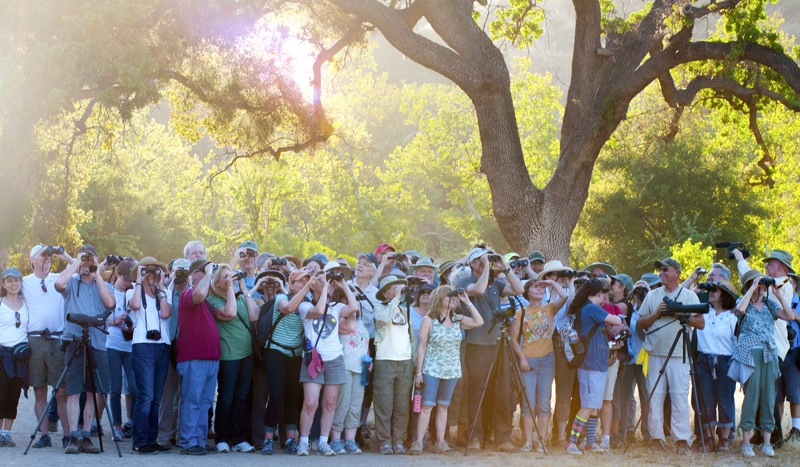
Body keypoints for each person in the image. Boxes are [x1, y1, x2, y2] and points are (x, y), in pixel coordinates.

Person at [458, 246, 523, 452]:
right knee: (477, 391)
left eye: (487, 260)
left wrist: (504, 268)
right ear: (472, 263)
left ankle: (503, 438)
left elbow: (519, 290)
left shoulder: (496, 283)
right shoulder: (465, 282)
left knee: (503, 390)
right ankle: (476, 435)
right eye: (481, 260)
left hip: (498, 343)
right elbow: (477, 290)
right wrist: (486, 265)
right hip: (477, 345)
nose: (486, 262)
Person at [636, 258, 704, 454]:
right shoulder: (652, 295)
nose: (661, 273)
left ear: (677, 272)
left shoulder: (690, 297)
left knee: (679, 397)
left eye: (665, 270)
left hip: (679, 354)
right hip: (655, 353)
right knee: (654, 396)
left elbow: (700, 323)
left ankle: (682, 439)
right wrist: (657, 313)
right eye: (659, 270)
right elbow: (640, 324)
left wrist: (680, 314)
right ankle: (656, 438)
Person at [729, 269, 799, 457]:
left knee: (769, 396)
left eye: (762, 284)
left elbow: (790, 316)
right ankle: (746, 442)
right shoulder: (742, 302)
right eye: (758, 283)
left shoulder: (769, 303)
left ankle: (767, 442)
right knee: (751, 396)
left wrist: (777, 293)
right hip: (750, 354)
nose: (761, 287)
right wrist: (752, 286)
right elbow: (740, 311)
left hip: (769, 353)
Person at [408, 285, 484, 455]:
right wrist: (418, 372)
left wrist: (467, 301)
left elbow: (479, 322)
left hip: (451, 370)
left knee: (443, 406)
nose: (452, 299)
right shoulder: (429, 320)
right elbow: (422, 346)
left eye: (453, 297)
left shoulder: (457, 319)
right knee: (427, 406)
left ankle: (440, 442)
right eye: (448, 296)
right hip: (432, 369)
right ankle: (418, 442)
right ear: (439, 299)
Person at [55, 245, 116, 454]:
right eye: (85, 260)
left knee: (93, 391)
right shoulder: (72, 282)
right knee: (73, 391)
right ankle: (73, 437)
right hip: (74, 341)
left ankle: (87, 436)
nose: (87, 264)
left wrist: (98, 273)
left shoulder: (104, 284)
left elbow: (110, 303)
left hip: (98, 343)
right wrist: (76, 262)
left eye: (91, 260)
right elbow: (58, 283)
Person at [296, 263, 358, 456]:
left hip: (335, 358)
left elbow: (354, 307)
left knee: (330, 403)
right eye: (322, 281)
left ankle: (324, 441)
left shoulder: (336, 307)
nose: (326, 284)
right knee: (310, 402)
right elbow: (318, 311)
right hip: (314, 359)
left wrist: (343, 284)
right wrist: (322, 286)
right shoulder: (304, 305)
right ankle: (304, 442)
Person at [564, 279, 624, 455]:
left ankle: (590, 442)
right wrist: (619, 318)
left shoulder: (587, 308)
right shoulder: (591, 308)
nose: (607, 295)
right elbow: (615, 320)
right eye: (605, 292)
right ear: (600, 293)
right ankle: (572, 442)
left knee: (593, 405)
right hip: (591, 365)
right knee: (588, 405)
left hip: (596, 363)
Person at [23, 244, 73, 449]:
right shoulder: (24, 282)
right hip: (35, 341)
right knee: (40, 391)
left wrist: (63, 254)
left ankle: (67, 435)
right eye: (42, 256)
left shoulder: (58, 278)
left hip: (57, 340)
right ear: (32, 259)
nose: (47, 259)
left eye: (49, 257)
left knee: (62, 392)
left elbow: (80, 268)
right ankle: (44, 435)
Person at [206, 265, 260, 453]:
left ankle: (239, 438)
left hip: (247, 354)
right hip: (228, 355)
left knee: (242, 397)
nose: (230, 279)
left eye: (231, 276)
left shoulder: (239, 298)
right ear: (216, 282)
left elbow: (254, 316)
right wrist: (230, 288)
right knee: (227, 397)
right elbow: (228, 314)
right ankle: (222, 437)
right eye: (225, 277)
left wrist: (244, 290)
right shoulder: (212, 299)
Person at [511, 278, 568, 452]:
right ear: (527, 292)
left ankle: (542, 440)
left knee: (544, 402)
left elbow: (565, 295)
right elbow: (513, 340)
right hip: (528, 361)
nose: (539, 289)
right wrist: (522, 359)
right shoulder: (521, 312)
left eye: (541, 288)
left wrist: (550, 281)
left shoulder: (549, 308)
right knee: (529, 403)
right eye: (535, 287)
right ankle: (528, 441)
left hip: (547, 360)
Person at [262, 268, 310, 455]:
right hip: (276, 352)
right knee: (276, 396)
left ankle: (290, 439)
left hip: (295, 355)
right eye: (300, 281)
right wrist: (307, 289)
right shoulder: (281, 297)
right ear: (291, 284)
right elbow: (288, 308)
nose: (304, 283)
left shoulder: (307, 303)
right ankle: (268, 439)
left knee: (292, 397)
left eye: (307, 280)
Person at [127, 257, 172, 454]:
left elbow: (165, 314)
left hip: (162, 346)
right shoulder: (132, 290)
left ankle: (151, 440)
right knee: (145, 396)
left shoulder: (165, 292)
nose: (151, 275)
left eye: (155, 272)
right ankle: (139, 441)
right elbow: (135, 306)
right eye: (146, 272)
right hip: (143, 347)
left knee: (156, 398)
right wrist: (139, 280)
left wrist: (161, 287)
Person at [176, 260, 221, 455]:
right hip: (194, 358)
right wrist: (209, 273)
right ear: (193, 274)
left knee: (205, 403)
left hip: (210, 359)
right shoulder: (188, 294)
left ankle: (200, 441)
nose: (208, 274)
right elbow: (199, 293)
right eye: (203, 271)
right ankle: (188, 441)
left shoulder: (208, 302)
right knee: (192, 401)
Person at [371, 273, 417, 455]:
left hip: (405, 362)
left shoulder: (405, 309)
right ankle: (384, 441)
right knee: (384, 404)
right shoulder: (379, 307)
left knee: (402, 405)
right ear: (384, 293)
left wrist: (413, 361)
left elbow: (411, 337)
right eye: (394, 289)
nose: (399, 292)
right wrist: (395, 300)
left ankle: (398, 440)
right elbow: (382, 320)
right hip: (385, 361)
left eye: (400, 288)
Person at [694, 280, 738, 452]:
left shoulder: (732, 318)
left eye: (716, 290)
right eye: (710, 289)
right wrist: (696, 289)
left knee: (725, 400)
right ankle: (709, 438)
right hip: (704, 360)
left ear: (724, 295)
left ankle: (725, 440)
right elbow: (681, 309)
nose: (711, 292)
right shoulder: (703, 314)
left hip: (725, 362)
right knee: (706, 401)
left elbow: (737, 343)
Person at [329, 283, 371, 455]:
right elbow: (349, 328)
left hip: (360, 369)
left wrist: (369, 359)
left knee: (355, 405)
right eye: (348, 297)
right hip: (344, 367)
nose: (352, 302)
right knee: (342, 404)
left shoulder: (361, 321)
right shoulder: (338, 319)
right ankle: (336, 440)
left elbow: (365, 342)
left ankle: (351, 441)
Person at [158, 258, 190, 446]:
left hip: (187, 348)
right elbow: (164, 306)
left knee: (186, 394)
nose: (181, 276)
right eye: (178, 271)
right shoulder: (165, 292)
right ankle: (163, 436)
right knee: (167, 395)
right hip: (168, 346)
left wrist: (190, 284)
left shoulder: (192, 293)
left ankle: (182, 435)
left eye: (185, 272)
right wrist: (170, 283)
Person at [105, 260, 138, 441]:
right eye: (125, 279)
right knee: (115, 388)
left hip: (130, 345)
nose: (128, 283)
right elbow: (99, 317)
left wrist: (132, 327)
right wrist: (114, 322)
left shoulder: (133, 291)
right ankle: (116, 427)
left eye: (130, 280)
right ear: (117, 274)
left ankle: (131, 423)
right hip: (112, 344)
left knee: (134, 388)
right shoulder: (108, 291)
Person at [0, 267, 29, 447]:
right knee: (0, 396)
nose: (13, 284)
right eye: (9, 281)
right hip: (2, 355)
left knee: (13, 396)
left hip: (20, 358)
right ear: (3, 284)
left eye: (16, 280)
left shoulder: (26, 303)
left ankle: (6, 433)